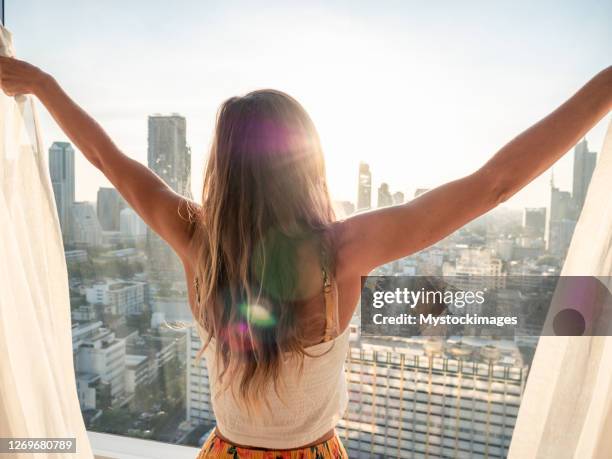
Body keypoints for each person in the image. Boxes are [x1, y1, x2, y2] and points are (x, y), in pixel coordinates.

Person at [0, 54, 610, 458]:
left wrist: (43, 85)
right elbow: (492, 186)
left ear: (225, 170)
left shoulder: (197, 240)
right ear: (305, 165)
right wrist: (605, 88)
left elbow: (111, 163)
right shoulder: (341, 251)